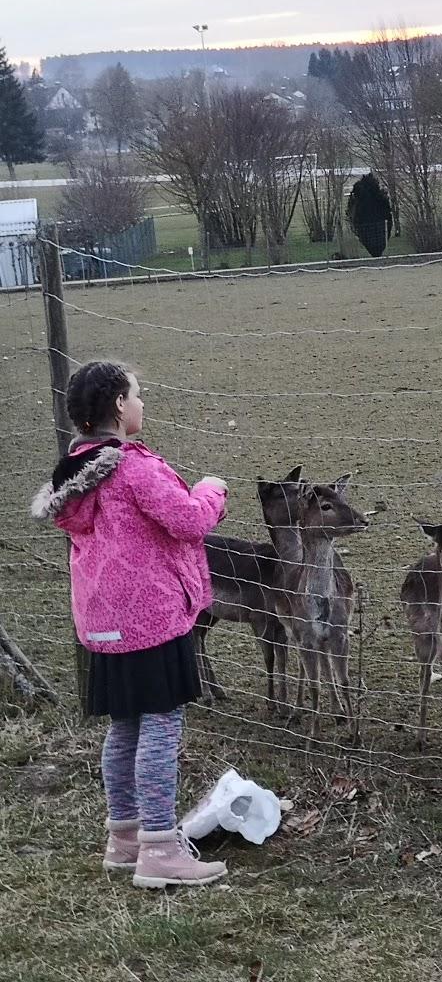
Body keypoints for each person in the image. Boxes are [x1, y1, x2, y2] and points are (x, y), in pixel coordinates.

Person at [30, 360, 230, 888]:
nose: (142, 404)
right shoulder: (133, 468)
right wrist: (213, 489)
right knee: (161, 724)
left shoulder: (74, 473)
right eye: (137, 395)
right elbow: (189, 520)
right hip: (151, 618)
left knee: (125, 724)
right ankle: (161, 848)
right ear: (119, 405)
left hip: (103, 622)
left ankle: (125, 838)